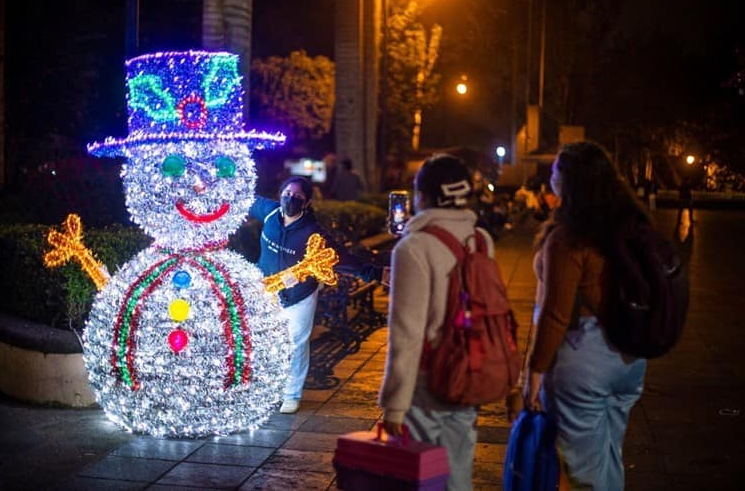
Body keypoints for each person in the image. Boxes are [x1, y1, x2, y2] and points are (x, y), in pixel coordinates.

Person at [522, 142, 648, 490]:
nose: (551, 176)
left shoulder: (570, 238)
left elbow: (555, 314)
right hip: (629, 358)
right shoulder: (628, 223)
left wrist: (534, 373)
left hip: (585, 357)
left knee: (581, 474)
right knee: (608, 459)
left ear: (571, 180)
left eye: (556, 170)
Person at [379, 154, 495, 491]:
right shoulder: (481, 240)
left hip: (428, 381)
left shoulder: (414, 247)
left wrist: (395, 405)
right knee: (458, 470)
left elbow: (407, 333)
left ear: (424, 196)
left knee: (422, 476)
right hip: (468, 370)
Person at [250, 176, 380, 414]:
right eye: (287, 194)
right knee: (265, 342)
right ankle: (268, 389)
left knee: (296, 344)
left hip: (299, 296)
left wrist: (376, 274)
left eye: (298, 197)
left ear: (307, 202)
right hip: (266, 292)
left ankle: (291, 394)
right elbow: (243, 199)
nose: (291, 199)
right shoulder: (269, 213)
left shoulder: (313, 234)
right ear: (280, 194)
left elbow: (342, 258)